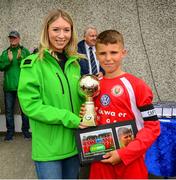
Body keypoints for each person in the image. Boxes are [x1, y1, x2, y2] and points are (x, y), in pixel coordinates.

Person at [17, 9, 87, 179]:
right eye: (56, 29)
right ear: (46, 31)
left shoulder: (75, 63)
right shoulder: (33, 64)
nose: (62, 35)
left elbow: (78, 98)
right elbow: (30, 106)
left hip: (74, 144)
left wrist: (86, 106)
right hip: (49, 150)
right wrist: (70, 118)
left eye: (66, 30)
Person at [84, 30, 160, 179]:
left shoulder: (137, 85)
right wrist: (86, 119)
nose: (108, 58)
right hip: (100, 161)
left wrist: (124, 153)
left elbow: (153, 127)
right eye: (102, 53)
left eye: (113, 52)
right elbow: (93, 122)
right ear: (96, 55)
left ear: (123, 53)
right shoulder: (93, 86)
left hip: (130, 162)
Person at [0, 30, 31, 141]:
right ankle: (10, 133)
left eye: (14, 38)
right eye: (11, 38)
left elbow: (29, 67)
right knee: (9, 111)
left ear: (19, 39)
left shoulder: (25, 52)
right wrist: (8, 61)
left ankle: (26, 131)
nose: (12, 40)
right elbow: (1, 67)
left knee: (25, 110)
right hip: (9, 87)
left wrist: (20, 60)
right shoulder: (5, 53)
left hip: (22, 86)